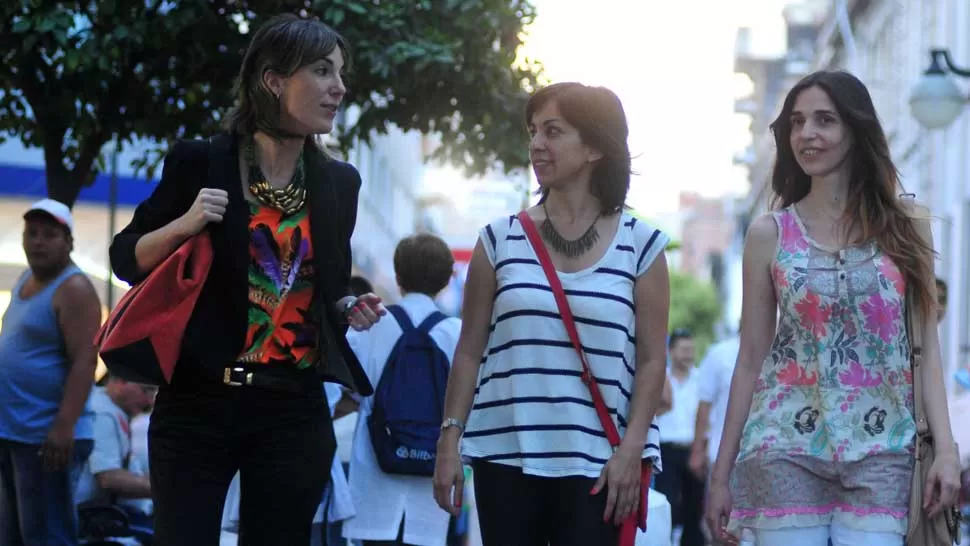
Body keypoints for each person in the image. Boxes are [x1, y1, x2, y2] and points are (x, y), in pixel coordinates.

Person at [109, 14, 384, 545]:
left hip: (292, 409)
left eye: (341, 74)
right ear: (274, 80)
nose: (339, 88)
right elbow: (126, 258)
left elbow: (326, 287)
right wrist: (187, 223)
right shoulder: (201, 161)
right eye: (323, 71)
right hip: (198, 403)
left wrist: (349, 305)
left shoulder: (338, 183)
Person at [705, 70, 961, 546]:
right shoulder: (768, 234)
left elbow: (926, 350)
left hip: (884, 449)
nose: (807, 134)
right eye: (797, 122)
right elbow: (750, 357)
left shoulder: (908, 229)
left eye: (825, 120)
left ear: (855, 129)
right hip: (782, 444)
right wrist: (721, 476)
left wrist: (946, 450)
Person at [432, 82, 671, 545]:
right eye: (533, 131)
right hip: (504, 452)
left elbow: (650, 362)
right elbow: (468, 351)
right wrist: (448, 440)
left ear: (595, 148)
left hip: (599, 463)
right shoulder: (497, 239)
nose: (536, 144)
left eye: (553, 131)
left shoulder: (642, 246)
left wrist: (631, 450)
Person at [343, 233, 461, 546]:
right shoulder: (457, 334)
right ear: (446, 281)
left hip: (375, 477)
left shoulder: (371, 324)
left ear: (397, 276)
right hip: (433, 483)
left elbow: (347, 389)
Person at [0, 199, 100, 546]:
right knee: (14, 536)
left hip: (47, 438)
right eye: (32, 233)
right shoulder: (27, 278)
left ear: (68, 241)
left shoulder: (74, 289)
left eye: (49, 234)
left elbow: (85, 360)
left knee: (46, 537)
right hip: (16, 431)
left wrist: (63, 426)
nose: (38, 241)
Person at [75, 376, 157, 532]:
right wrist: (168, 488)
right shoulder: (101, 413)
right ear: (121, 380)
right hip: (93, 519)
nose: (150, 401)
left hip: (104, 514)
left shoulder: (110, 408)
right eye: (146, 390)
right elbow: (109, 479)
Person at [653, 329, 704, 546]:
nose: (688, 354)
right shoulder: (659, 378)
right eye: (683, 350)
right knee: (668, 501)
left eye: (691, 349)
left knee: (695, 507)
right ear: (671, 351)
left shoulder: (702, 379)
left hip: (694, 448)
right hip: (667, 449)